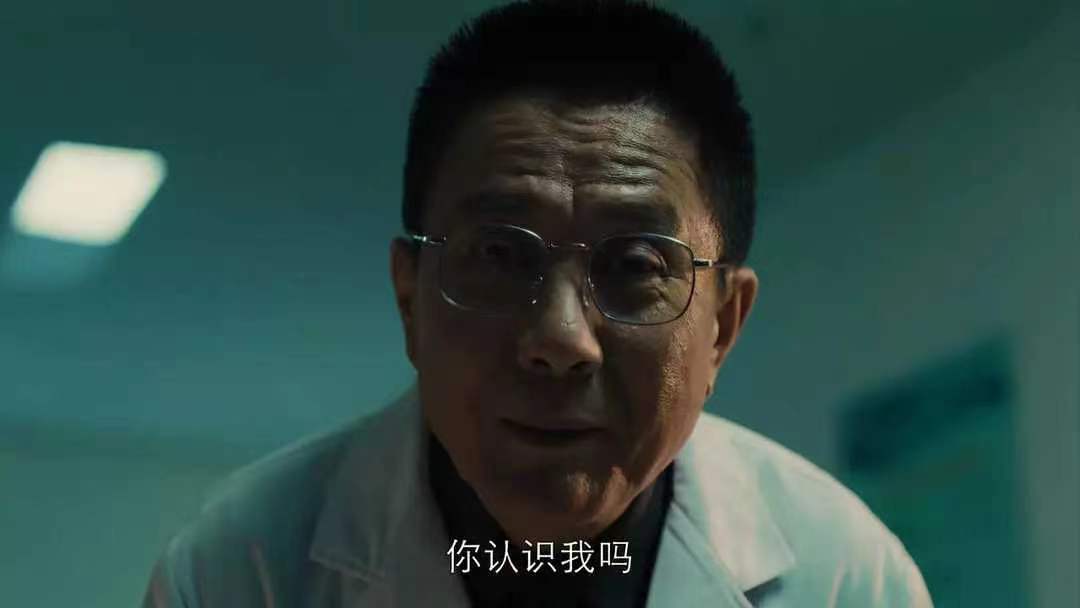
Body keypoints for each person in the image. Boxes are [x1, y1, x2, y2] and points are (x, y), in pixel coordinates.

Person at [143, 1, 933, 606]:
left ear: (723, 326)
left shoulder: (848, 578)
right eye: (499, 255)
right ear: (409, 296)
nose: (559, 340)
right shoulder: (237, 571)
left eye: (635, 264)